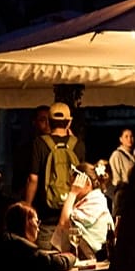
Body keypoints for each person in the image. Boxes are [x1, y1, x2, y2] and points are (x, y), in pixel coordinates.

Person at [24, 102, 88, 250]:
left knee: (45, 267)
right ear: (69, 122)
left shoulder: (39, 143)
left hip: (46, 218)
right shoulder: (78, 145)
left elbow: (33, 179)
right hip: (71, 218)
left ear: (48, 121)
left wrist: (27, 207)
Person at [51, 165, 112, 261]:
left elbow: (64, 222)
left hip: (98, 257)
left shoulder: (96, 201)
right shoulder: (85, 201)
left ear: (87, 183)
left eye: (74, 183)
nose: (72, 186)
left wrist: (73, 193)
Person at [107, 128, 135, 212]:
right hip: (124, 193)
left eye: (131, 136)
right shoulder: (117, 155)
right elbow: (116, 179)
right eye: (126, 136)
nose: (129, 139)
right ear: (121, 139)